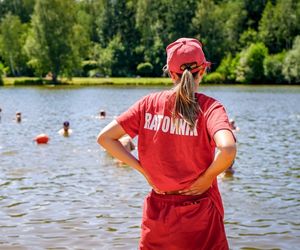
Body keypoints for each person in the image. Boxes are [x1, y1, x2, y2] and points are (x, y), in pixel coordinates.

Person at [97, 38, 236, 250]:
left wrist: (143, 170)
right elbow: (227, 149)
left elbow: (105, 138)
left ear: (171, 74)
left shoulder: (148, 104)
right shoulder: (210, 107)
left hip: (159, 214)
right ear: (203, 71)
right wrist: (207, 177)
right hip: (201, 210)